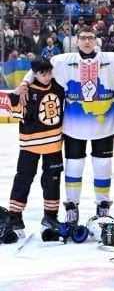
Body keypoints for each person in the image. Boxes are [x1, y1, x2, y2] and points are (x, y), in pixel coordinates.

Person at [14, 26, 114, 224]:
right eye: (83, 38)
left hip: (104, 125)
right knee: (74, 166)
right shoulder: (63, 60)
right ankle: (72, 206)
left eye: (90, 38)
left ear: (96, 40)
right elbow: (37, 69)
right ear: (77, 41)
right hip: (73, 127)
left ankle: (103, 205)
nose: (87, 41)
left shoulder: (112, 59)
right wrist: (24, 83)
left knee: (102, 165)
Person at [6, 58, 64, 236]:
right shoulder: (27, 91)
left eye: (48, 73)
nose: (46, 77)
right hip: (30, 145)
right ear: (34, 74)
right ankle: (15, 216)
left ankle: (50, 216)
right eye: (42, 74)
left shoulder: (58, 86)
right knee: (23, 180)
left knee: (52, 182)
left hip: (54, 144)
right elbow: (14, 111)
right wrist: (15, 94)